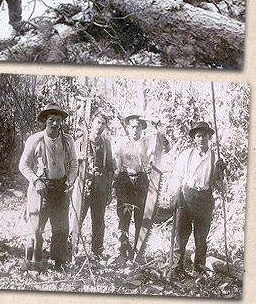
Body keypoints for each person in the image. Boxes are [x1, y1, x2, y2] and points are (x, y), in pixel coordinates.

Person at [19, 101, 78, 273]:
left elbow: (74, 164)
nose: (55, 124)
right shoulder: (34, 140)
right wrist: (35, 181)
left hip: (61, 187)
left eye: (58, 120)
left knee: (61, 226)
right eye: (51, 119)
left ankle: (59, 262)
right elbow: (23, 165)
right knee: (36, 227)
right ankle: (34, 263)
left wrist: (70, 181)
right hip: (41, 188)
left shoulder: (68, 140)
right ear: (45, 120)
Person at [169, 121, 226, 278]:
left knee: (201, 237)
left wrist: (221, 173)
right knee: (180, 235)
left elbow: (222, 188)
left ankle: (199, 269)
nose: (202, 139)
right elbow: (177, 177)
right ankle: (176, 268)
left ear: (209, 137)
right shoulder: (186, 155)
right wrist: (175, 195)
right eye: (198, 136)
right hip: (187, 197)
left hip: (205, 198)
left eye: (205, 136)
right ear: (194, 138)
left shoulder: (215, 158)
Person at [114, 115, 169, 259]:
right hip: (125, 179)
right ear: (128, 128)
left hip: (141, 180)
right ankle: (122, 250)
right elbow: (115, 162)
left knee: (140, 216)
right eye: (132, 127)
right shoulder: (121, 143)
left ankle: (137, 251)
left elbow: (164, 148)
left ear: (141, 129)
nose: (135, 130)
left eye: (138, 127)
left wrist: (161, 132)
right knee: (124, 215)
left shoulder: (146, 143)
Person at [77, 111, 114, 257]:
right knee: (78, 218)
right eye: (98, 122)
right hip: (84, 185)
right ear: (92, 122)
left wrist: (109, 190)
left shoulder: (106, 144)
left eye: (103, 123)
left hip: (101, 186)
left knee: (99, 219)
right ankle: (71, 246)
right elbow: (72, 165)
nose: (100, 126)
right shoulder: (81, 141)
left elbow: (110, 167)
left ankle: (97, 250)